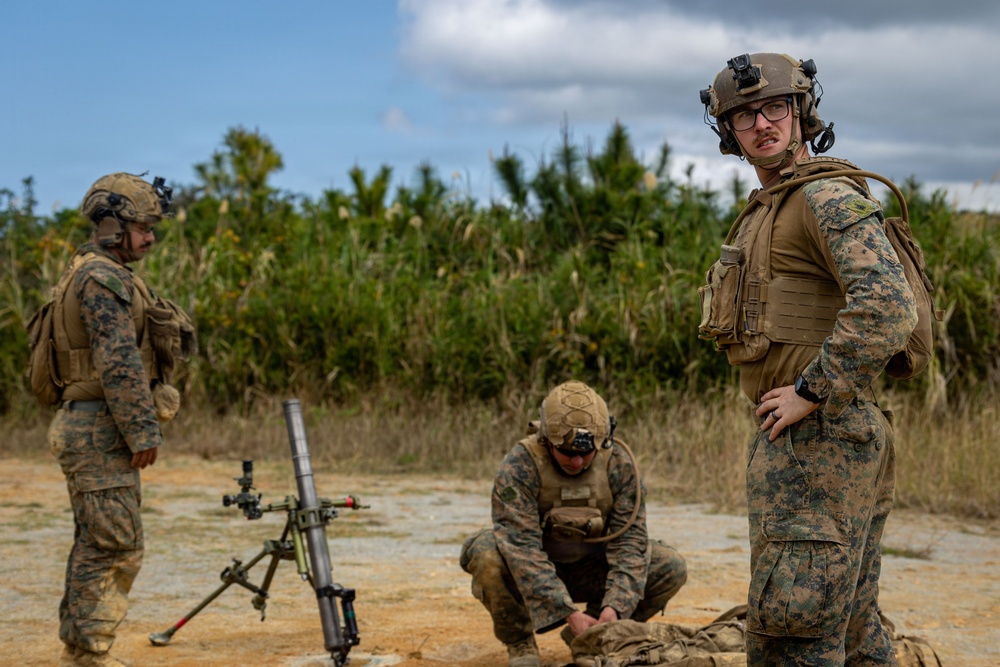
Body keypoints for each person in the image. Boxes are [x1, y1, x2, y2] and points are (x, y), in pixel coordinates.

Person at [697, 54, 918, 665]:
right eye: (744, 115)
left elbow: (887, 305)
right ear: (729, 133)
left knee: (791, 636)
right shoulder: (770, 207)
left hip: (818, 440)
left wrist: (810, 391)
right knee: (850, 626)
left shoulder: (821, 196)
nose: (762, 123)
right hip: (819, 443)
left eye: (774, 108)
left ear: (800, 112)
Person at [48, 172, 194, 667]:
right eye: (142, 226)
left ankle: (79, 651)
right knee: (116, 547)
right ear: (111, 225)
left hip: (91, 425)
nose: (150, 237)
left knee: (96, 542)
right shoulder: (102, 277)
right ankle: (90, 655)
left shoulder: (89, 271)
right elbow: (118, 361)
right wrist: (142, 430)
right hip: (101, 429)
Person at [460, 380, 688, 667]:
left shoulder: (618, 463)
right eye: (568, 453)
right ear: (547, 438)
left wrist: (614, 608)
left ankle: (595, 634)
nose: (578, 462)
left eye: (586, 452)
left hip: (592, 569)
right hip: (535, 571)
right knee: (486, 555)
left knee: (670, 565)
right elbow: (521, 548)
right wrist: (567, 611)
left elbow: (629, 542)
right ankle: (520, 643)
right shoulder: (520, 465)